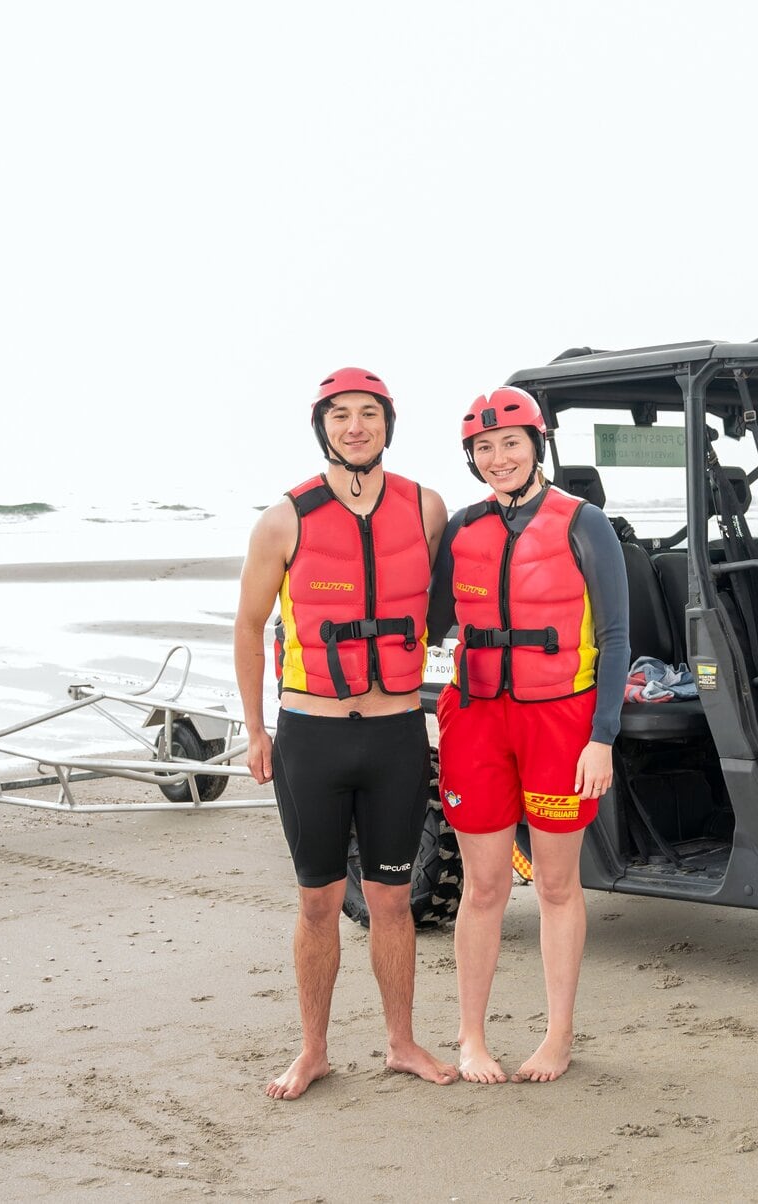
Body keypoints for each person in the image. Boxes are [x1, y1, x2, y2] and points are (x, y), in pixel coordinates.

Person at [233, 367, 458, 1099]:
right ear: (321, 426)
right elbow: (248, 627)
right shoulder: (283, 520)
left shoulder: (426, 508)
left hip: (395, 734)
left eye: (369, 413)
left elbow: (456, 603)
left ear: (388, 423)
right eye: (340, 415)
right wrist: (256, 729)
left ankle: (402, 1043)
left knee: (392, 901)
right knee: (318, 901)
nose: (355, 427)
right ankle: (313, 1051)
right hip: (313, 736)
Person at [428, 386, 628, 1083]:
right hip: (476, 719)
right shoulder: (461, 529)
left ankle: (559, 1035)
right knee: (482, 888)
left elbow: (616, 638)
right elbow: (425, 625)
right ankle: (471, 1039)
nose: (498, 458)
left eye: (510, 443)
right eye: (484, 448)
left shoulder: (585, 523)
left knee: (555, 885)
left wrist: (603, 737)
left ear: (536, 446)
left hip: (561, 722)